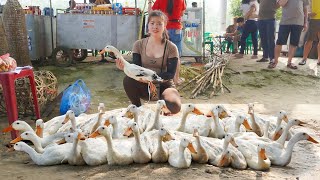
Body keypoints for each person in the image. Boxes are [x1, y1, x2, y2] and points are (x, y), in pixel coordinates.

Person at [115, 10, 181, 114]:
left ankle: (165, 107)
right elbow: (136, 68)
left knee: (175, 107)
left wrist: (151, 78)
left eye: (159, 23)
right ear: (148, 26)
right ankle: (137, 107)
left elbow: (170, 74)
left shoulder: (171, 47)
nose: (155, 26)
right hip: (143, 85)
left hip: (164, 85)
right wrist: (124, 68)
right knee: (128, 80)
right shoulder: (138, 45)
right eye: (152, 23)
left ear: (165, 26)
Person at [148, 0, 186, 85]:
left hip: (164, 29)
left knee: (163, 54)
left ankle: (162, 78)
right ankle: (176, 80)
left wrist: (149, 2)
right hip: (176, 28)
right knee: (176, 56)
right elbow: (182, 13)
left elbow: (151, 13)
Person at [268, 0, 309, 69]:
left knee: (294, 43)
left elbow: (305, 9)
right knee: (279, 42)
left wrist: (305, 22)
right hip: (285, 22)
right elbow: (278, 5)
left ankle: (289, 62)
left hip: (298, 22)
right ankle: (275, 61)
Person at [298, 0, 320, 66]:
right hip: (314, 19)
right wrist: (308, 14)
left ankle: (319, 60)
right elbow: (302, 5)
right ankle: (304, 59)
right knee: (309, 40)